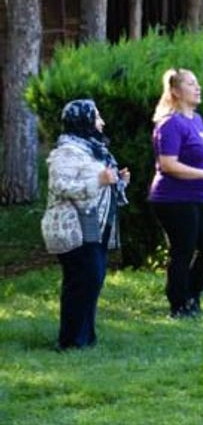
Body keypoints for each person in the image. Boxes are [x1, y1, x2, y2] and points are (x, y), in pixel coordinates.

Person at [41, 99, 128, 350]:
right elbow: (62, 186)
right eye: (97, 116)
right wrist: (100, 180)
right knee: (82, 279)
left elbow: (99, 182)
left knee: (92, 278)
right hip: (71, 225)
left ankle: (85, 338)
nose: (102, 122)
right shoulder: (67, 151)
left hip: (91, 223)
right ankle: (70, 341)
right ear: (83, 120)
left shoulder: (92, 148)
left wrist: (117, 180)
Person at [149, 68, 203, 317]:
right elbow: (168, 165)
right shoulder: (170, 124)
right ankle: (179, 304)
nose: (198, 88)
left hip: (198, 196)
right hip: (173, 199)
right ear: (175, 91)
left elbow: (200, 157)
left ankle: (191, 293)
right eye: (191, 84)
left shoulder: (196, 119)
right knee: (183, 250)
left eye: (198, 83)